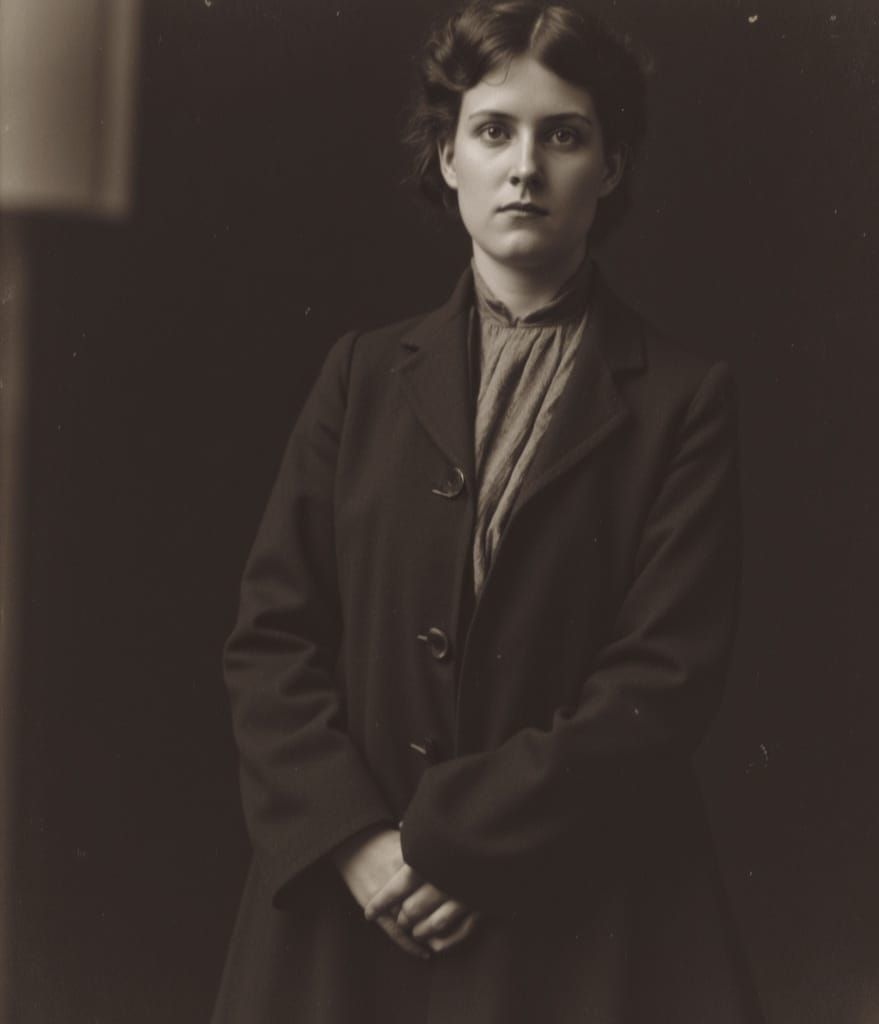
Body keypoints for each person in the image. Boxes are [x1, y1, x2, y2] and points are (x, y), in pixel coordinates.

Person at [211, 2, 763, 1021]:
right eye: (494, 130)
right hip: (352, 910)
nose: (525, 167)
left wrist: (454, 847)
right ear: (449, 158)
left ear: (612, 166)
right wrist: (358, 844)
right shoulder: (362, 374)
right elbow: (271, 639)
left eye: (565, 134)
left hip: (577, 911)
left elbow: (660, 678)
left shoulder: (682, 398)